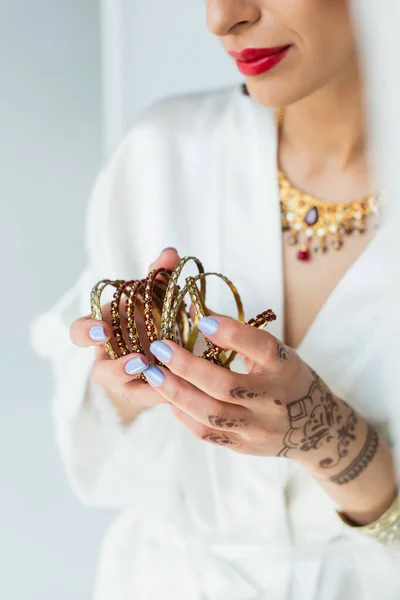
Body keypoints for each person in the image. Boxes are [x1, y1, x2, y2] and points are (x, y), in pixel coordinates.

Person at [30, 1, 400, 598]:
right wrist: (126, 394)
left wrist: (332, 441)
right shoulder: (164, 155)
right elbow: (98, 471)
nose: (222, 18)